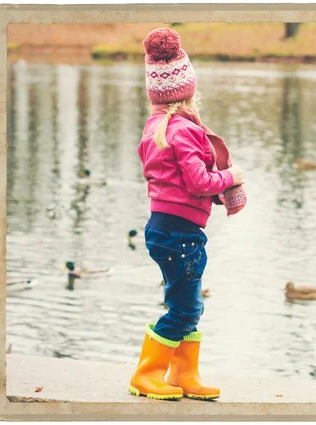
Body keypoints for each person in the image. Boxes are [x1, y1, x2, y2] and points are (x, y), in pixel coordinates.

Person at [129, 27, 245, 401]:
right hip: (180, 234)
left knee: (187, 303)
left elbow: (177, 181)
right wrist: (229, 177)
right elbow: (197, 181)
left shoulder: (156, 128)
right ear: (188, 91)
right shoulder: (185, 132)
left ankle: (184, 373)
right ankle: (147, 375)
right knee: (184, 307)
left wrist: (206, 192)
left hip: (164, 229)